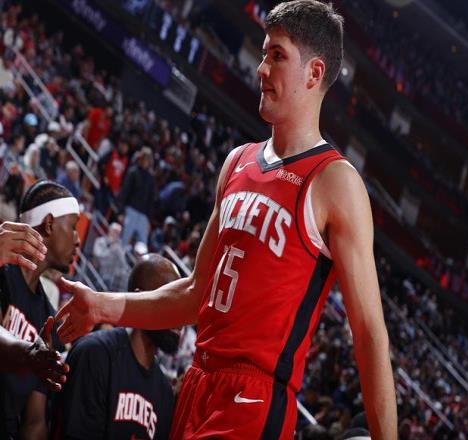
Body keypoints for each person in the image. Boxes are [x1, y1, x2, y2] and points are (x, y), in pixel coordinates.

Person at [56, 1, 397, 438]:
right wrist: (101, 305)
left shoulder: (335, 182)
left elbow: (368, 332)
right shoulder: (237, 161)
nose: (261, 68)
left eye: (277, 55)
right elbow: (196, 292)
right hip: (197, 382)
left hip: (254, 398)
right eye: (264, 53)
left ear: (314, 73)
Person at [53, 254, 180, 439]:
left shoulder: (165, 393)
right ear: (141, 299)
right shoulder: (95, 354)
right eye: (171, 302)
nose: (180, 317)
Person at [0, 180, 80, 439]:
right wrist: (27, 355)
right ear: (49, 224)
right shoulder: (3, 269)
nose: (78, 240)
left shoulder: (49, 318)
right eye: (73, 227)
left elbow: (34, 421)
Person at [119, 146, 155, 246]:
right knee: (124, 240)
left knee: (142, 244)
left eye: (148, 159)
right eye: (144, 158)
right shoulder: (133, 172)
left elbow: (151, 199)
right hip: (131, 210)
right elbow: (125, 191)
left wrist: (149, 220)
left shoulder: (151, 178)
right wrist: (121, 211)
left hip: (143, 215)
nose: (145, 161)